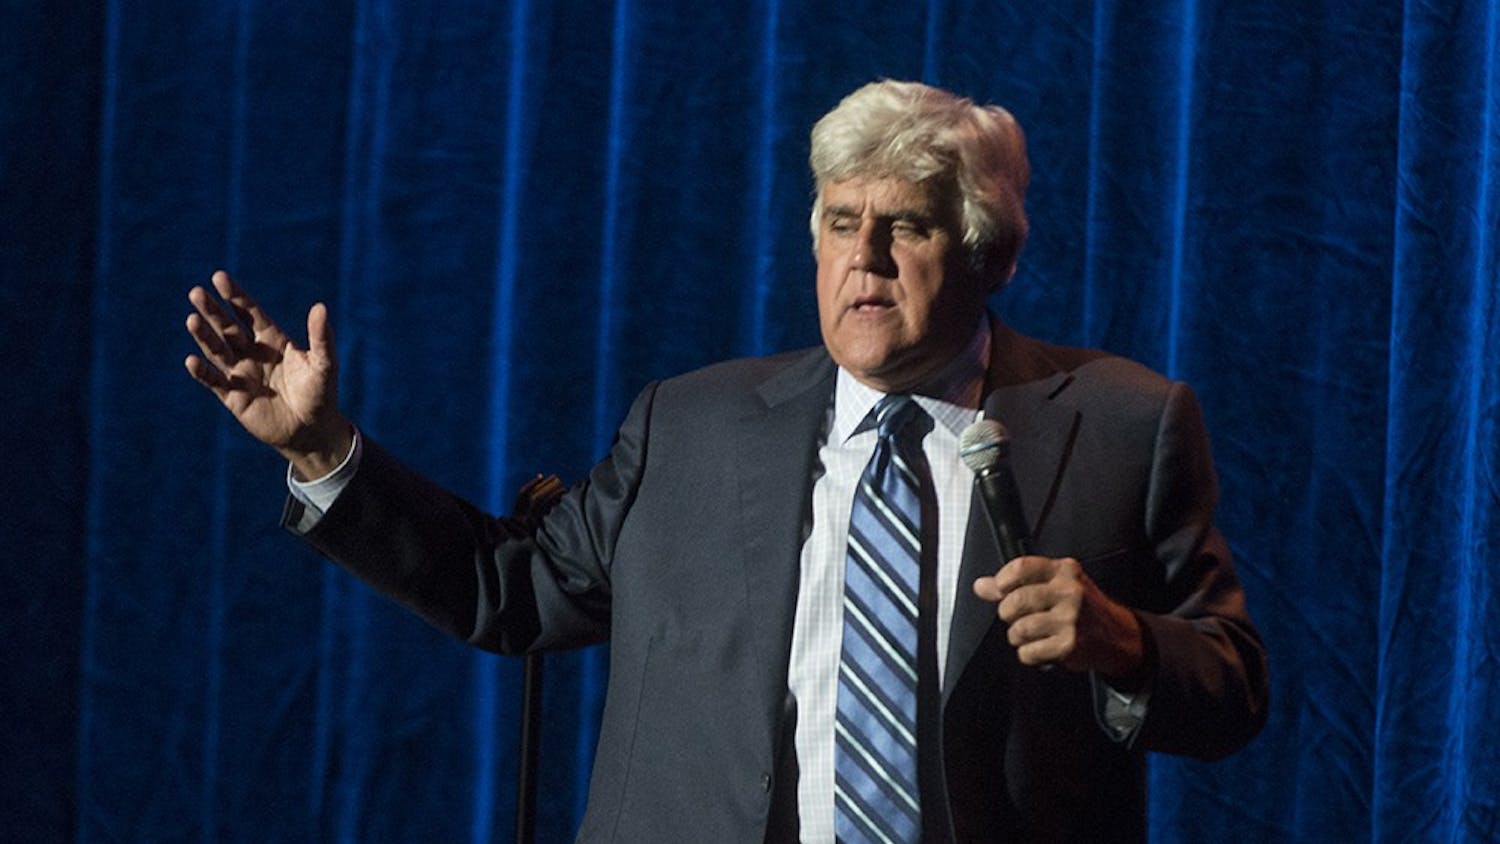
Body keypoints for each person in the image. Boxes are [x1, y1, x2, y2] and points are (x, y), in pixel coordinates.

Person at [185, 80, 1268, 843]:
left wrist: (1124, 642)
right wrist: (322, 450)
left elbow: (1234, 687)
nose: (865, 257)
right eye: (840, 222)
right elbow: (508, 589)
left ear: (988, 252)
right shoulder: (691, 425)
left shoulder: (1122, 424)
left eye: (907, 226)